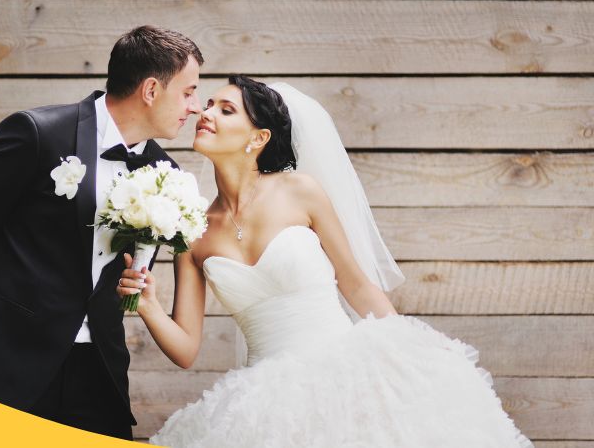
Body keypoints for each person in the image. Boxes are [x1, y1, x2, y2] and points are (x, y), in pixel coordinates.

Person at [117, 75, 534, 447]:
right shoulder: (193, 230)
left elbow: (354, 283)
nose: (205, 113)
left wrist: (404, 347)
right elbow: (186, 349)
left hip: (348, 374)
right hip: (265, 402)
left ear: (258, 138)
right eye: (207, 105)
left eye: (225, 110)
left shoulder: (301, 191)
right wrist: (150, 306)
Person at [0, 25, 203, 440]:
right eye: (188, 91)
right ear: (149, 90)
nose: (195, 106)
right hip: (4, 364)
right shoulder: (37, 133)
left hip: (99, 372)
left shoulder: (166, 177)